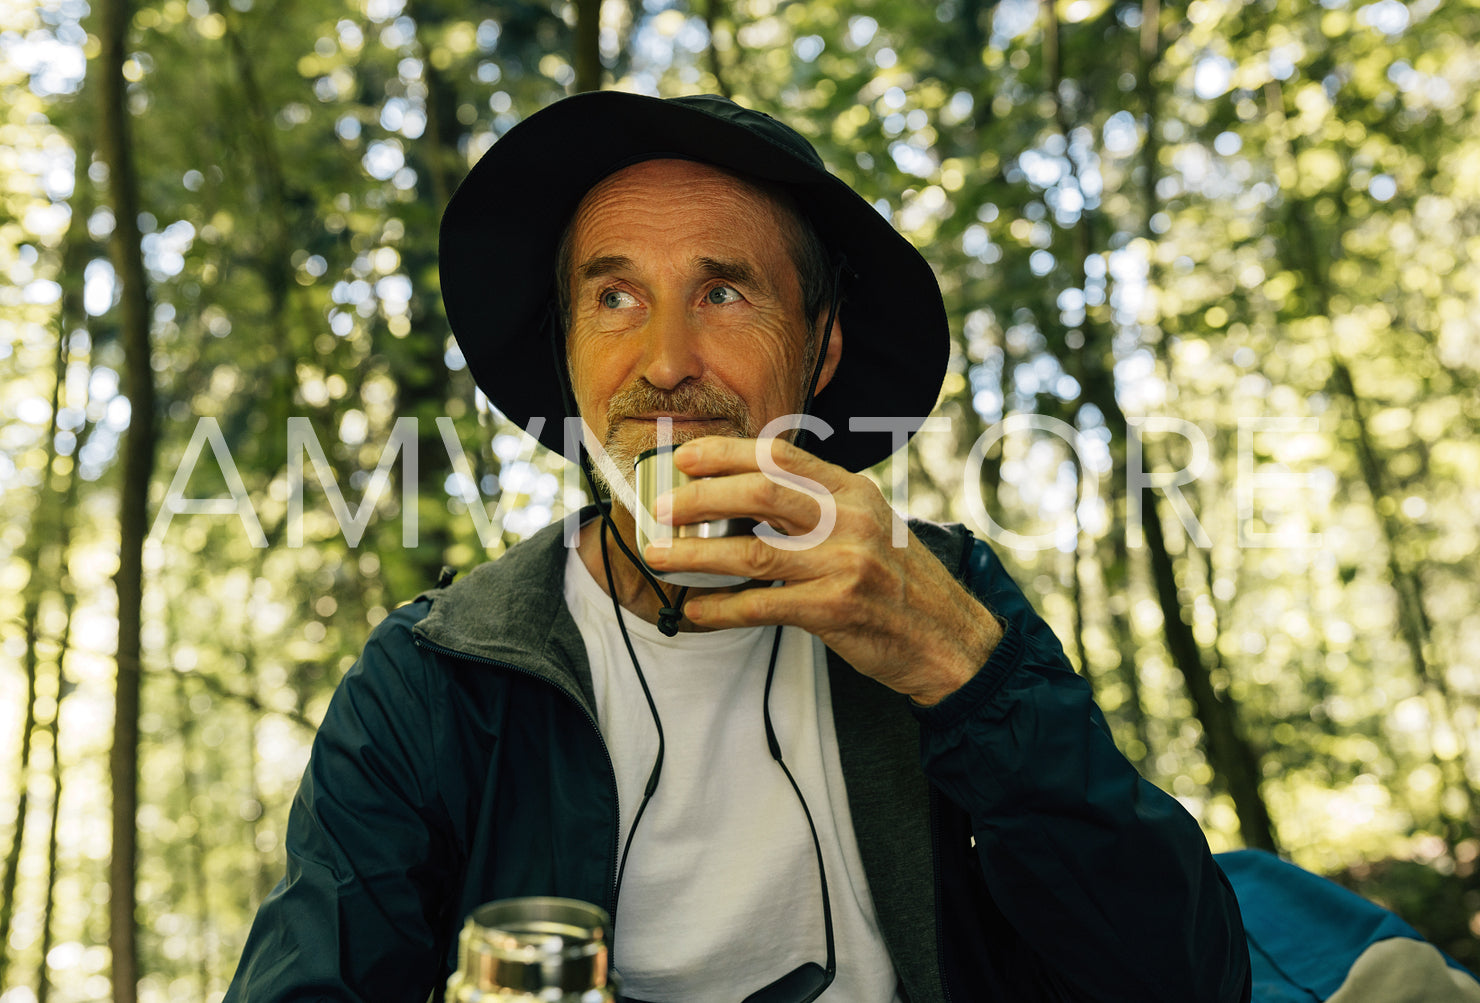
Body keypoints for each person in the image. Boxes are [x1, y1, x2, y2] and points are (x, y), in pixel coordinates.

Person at [226, 92, 1251, 1002]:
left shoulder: (942, 592)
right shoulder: (436, 677)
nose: (666, 363)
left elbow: (1186, 977)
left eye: (723, 293)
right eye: (613, 298)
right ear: (568, 354)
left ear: (820, 350)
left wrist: (964, 673)